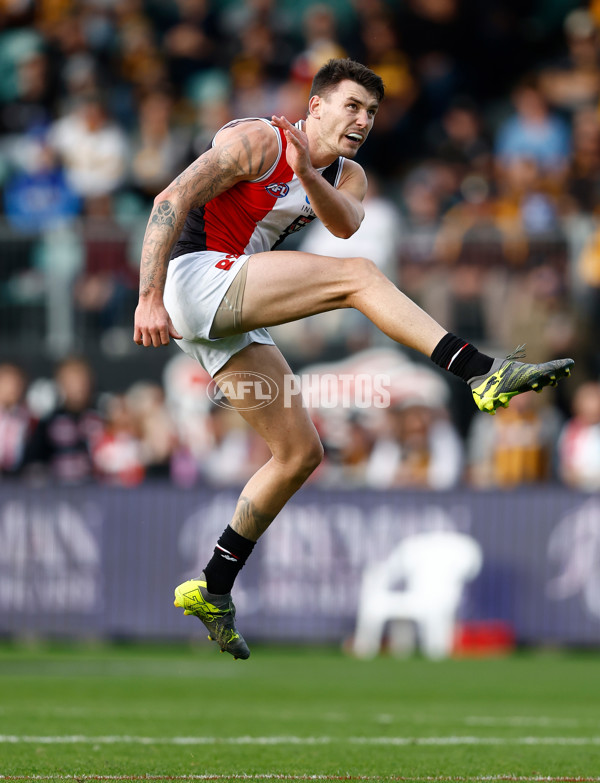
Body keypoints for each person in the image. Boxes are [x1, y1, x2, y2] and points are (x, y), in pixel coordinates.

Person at [133, 58, 574, 660]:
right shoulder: (257, 140)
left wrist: (310, 178)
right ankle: (480, 370)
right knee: (359, 278)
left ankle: (213, 585)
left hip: (225, 295)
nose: (362, 120)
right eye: (350, 106)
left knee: (299, 454)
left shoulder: (348, 175)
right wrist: (148, 297)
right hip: (193, 277)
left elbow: (344, 224)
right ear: (314, 106)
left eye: (370, 112)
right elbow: (169, 199)